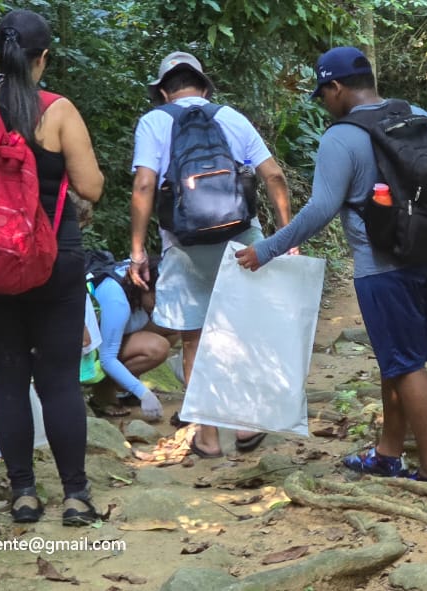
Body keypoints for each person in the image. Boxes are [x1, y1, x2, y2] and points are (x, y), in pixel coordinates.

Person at [234, 46, 427, 487]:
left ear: (335, 87)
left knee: (407, 366)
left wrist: (268, 249)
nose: (324, 102)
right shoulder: (417, 113)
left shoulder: (342, 137)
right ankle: (389, 453)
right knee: (400, 361)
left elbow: (321, 209)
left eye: (323, 93)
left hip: (382, 267)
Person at [0, 9, 105, 525]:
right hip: (56, 261)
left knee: (8, 378)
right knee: (58, 380)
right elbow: (92, 186)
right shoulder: (59, 112)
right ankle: (75, 495)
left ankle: (24, 494)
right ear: (42, 58)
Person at [128, 51, 292, 458]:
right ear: (204, 87)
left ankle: (208, 436)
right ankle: (246, 426)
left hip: (184, 246)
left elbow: (146, 185)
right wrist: (287, 234)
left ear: (164, 91)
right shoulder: (231, 117)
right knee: (243, 330)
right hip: (242, 240)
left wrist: (136, 251)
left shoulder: (155, 121)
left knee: (194, 339)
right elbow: (273, 175)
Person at [86, 254, 175, 421]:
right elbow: (107, 358)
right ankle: (103, 393)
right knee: (158, 347)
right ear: (143, 286)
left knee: (172, 328)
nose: (162, 305)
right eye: (158, 299)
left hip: (114, 336)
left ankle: (124, 386)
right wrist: (144, 393)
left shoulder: (142, 275)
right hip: (89, 352)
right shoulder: (117, 302)